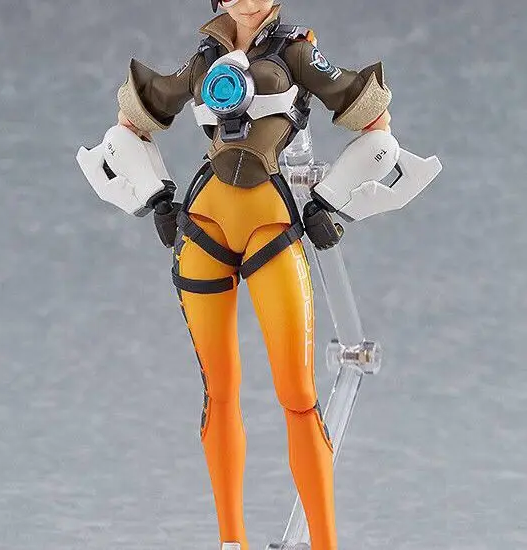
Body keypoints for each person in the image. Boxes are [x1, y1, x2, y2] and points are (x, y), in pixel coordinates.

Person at [117, 1, 391, 549]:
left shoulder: (296, 52)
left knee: (298, 392)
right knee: (219, 390)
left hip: (271, 221)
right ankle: (231, 542)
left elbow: (376, 124)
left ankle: (325, 543)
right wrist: (154, 195)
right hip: (204, 221)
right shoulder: (205, 57)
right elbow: (133, 120)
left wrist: (331, 200)